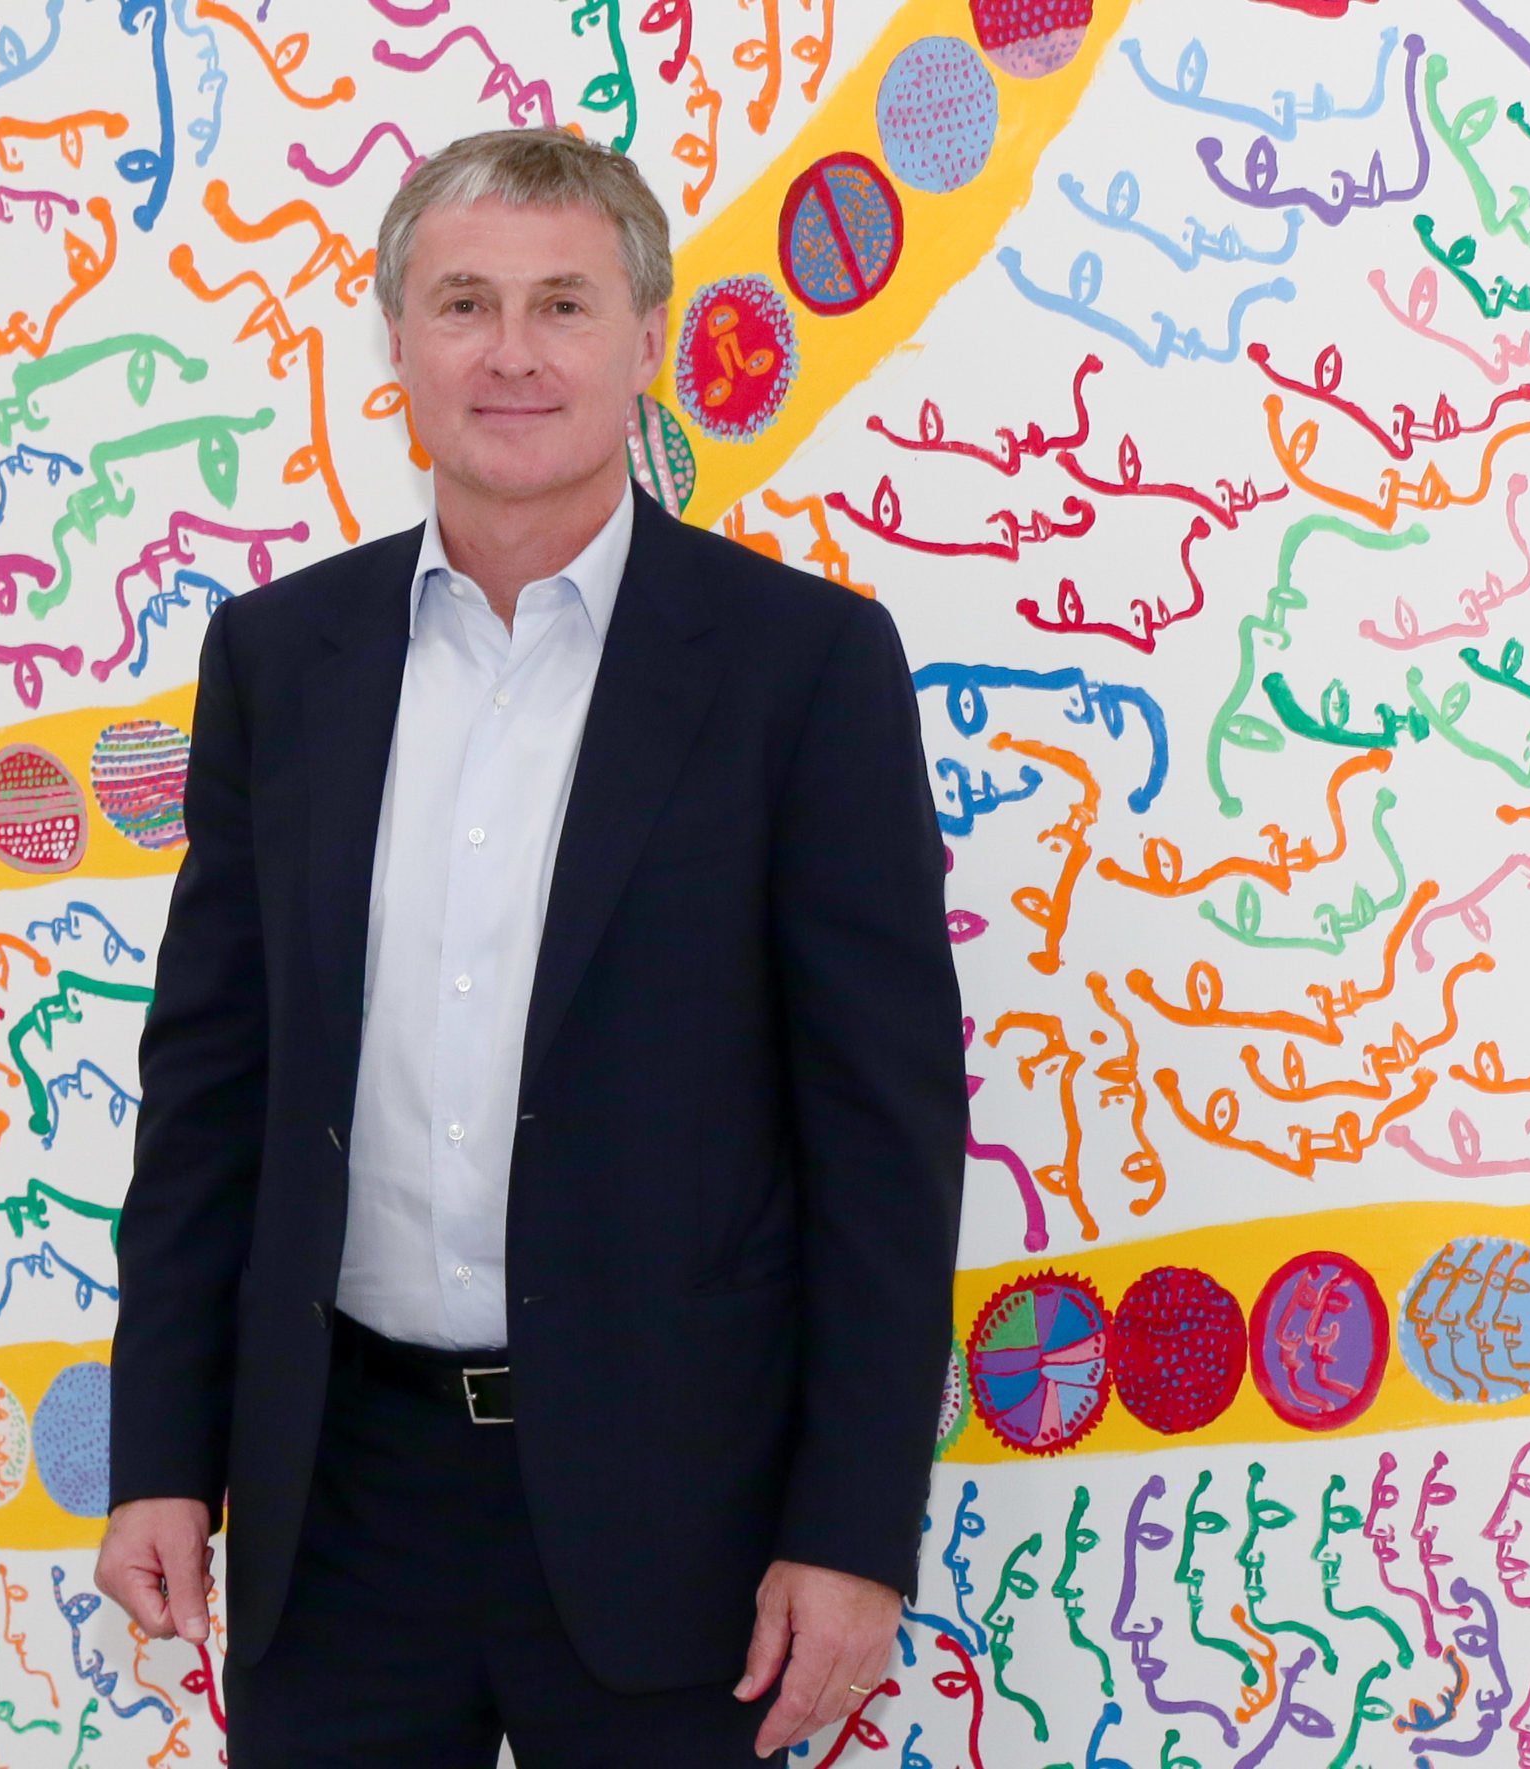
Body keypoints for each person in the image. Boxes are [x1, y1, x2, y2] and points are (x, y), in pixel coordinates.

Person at [95, 126, 968, 1766]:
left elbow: (883, 1138)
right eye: (464, 303)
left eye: (564, 303)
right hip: (335, 1510)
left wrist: (854, 1531)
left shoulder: (804, 666)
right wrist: (161, 1451)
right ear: (397, 344)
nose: (511, 352)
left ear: (647, 342)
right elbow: (210, 1088)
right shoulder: (281, 659)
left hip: (678, 1511)